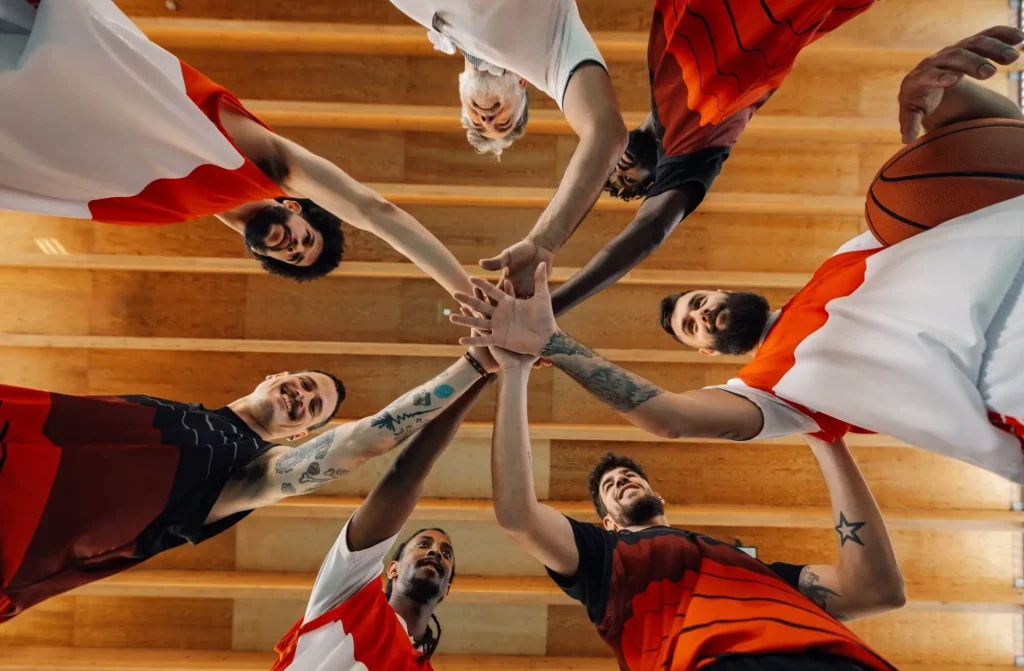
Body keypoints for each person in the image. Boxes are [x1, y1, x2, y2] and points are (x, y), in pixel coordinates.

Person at [450, 27, 1024, 483]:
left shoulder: (853, 257)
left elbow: (989, 179)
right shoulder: (776, 391)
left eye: (696, 303)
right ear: (709, 352)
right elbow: (668, 417)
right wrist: (553, 338)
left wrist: (939, 95)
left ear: (721, 288)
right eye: (692, 328)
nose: (700, 315)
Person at [485, 328, 907, 671]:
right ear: (608, 524)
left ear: (660, 498)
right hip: (712, 669)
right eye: (610, 487)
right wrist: (513, 371)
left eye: (629, 476)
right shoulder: (602, 559)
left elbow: (876, 591)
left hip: (843, 668)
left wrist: (824, 435)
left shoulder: (755, 572)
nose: (623, 480)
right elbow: (519, 516)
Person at [0, 347, 498, 623]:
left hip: (23, 526)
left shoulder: (251, 471)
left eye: (315, 407)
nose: (302, 397)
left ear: (303, 433)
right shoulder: (179, 412)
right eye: (304, 383)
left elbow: (360, 442)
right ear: (274, 376)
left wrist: (473, 367)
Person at [0, 0, 470, 287]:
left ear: (262, 254)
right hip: (55, 58)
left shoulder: (171, 210)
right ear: (298, 207)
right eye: (303, 240)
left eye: (289, 255)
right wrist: (465, 292)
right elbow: (376, 212)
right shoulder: (264, 166)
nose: (290, 244)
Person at [546, 0, 880, 315]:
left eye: (606, 172)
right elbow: (649, 230)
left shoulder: (660, 68)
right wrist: (554, 304)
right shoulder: (692, 148)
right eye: (625, 181)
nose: (616, 169)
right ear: (655, 182)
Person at [265, 365, 494, 671]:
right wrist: (484, 374)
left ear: (447, 590)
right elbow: (405, 474)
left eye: (446, 554)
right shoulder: (350, 596)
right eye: (424, 545)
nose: (437, 554)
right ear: (393, 568)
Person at [389, 0, 628, 297]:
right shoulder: (549, 56)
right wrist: (544, 241)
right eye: (502, 124)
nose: (486, 118)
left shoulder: (430, 19)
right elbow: (606, 133)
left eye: (477, 123)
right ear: (523, 84)